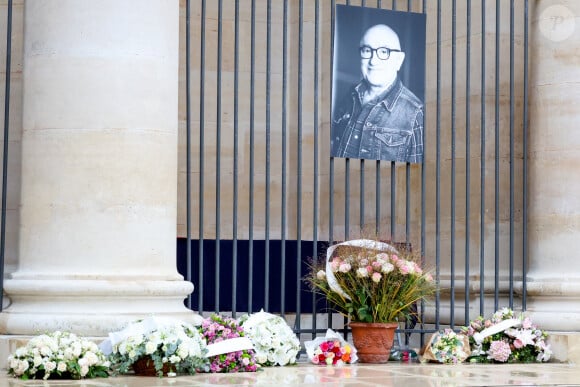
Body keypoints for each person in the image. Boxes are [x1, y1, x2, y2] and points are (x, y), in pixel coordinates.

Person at [331, 24, 424, 163]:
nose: (373, 61)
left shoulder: (415, 114)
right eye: (367, 50)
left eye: (384, 52)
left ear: (399, 60)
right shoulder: (349, 96)